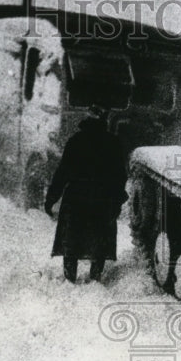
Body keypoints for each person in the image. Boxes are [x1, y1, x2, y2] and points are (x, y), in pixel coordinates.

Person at [44, 116, 128, 282]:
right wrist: (117, 201)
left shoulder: (75, 141)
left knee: (72, 239)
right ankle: (95, 277)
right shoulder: (113, 143)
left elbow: (62, 172)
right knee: (100, 238)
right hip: (103, 199)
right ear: (104, 125)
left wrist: (51, 198)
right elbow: (120, 176)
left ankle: (70, 278)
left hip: (76, 197)